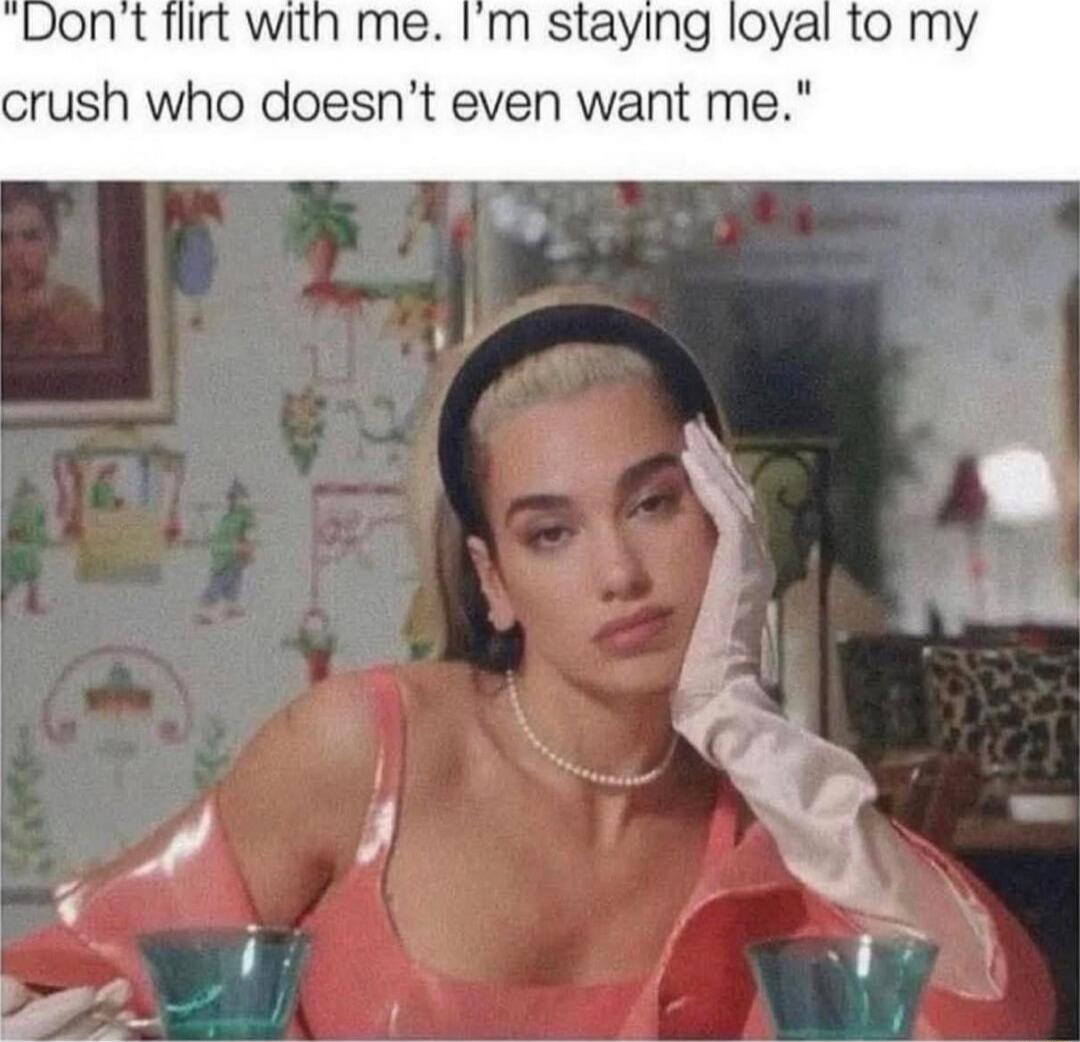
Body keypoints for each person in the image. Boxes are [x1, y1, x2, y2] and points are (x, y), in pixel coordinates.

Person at [1, 291, 1054, 1039]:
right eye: (551, 532)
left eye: (655, 503)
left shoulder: (774, 825)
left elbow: (1000, 1017)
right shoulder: (364, 752)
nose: (620, 572)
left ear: (727, 520)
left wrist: (740, 719)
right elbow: (54, 984)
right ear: (492, 578)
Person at [1, 181, 102, 359]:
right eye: (3, 239)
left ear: (53, 241)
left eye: (31, 237)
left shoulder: (77, 313)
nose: (16, 251)